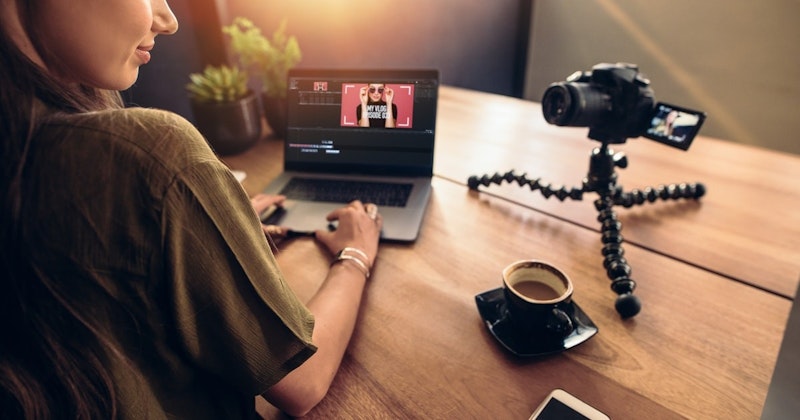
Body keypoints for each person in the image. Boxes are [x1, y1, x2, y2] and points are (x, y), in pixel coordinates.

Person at [0, 0, 382, 418]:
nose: (169, 20)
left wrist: (204, 222)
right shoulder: (153, 153)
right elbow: (302, 384)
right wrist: (354, 255)